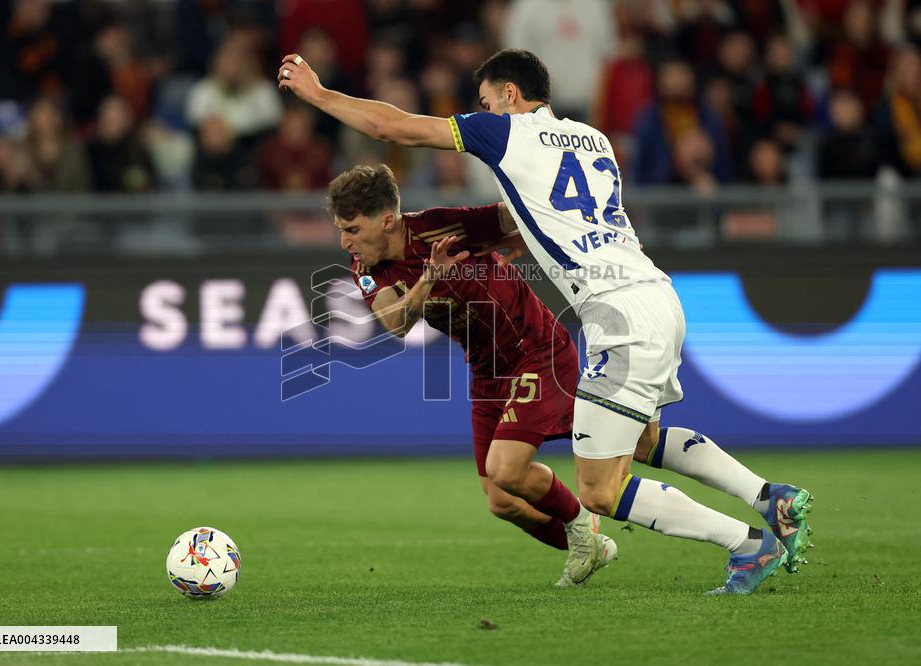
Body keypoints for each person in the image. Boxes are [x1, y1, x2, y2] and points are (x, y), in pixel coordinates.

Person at [278, 47, 814, 595]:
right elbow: (552, 211)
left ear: (510, 95)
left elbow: (393, 127)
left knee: (600, 489)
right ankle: (770, 497)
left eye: (486, 102)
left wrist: (318, 95)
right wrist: (526, 236)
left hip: (616, 315)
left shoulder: (506, 133)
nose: (482, 113)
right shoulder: (594, 139)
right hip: (656, 294)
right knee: (642, 441)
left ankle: (747, 544)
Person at [330, 163, 616, 587]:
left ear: (386, 220)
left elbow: (517, 212)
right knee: (501, 500)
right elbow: (395, 324)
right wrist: (430, 278)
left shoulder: (442, 227)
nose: (345, 242)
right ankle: (591, 544)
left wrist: (530, 236)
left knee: (508, 470)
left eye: (352, 229)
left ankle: (581, 523)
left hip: (536, 350)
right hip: (487, 371)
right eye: (341, 230)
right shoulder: (366, 267)